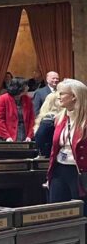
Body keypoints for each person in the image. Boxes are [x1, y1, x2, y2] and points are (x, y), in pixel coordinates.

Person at [46, 79, 87, 209]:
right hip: (59, 168)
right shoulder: (60, 118)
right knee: (56, 210)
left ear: (74, 96)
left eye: (62, 93)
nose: (58, 96)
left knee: (80, 212)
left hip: (80, 172)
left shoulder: (85, 120)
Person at [0, 76, 34, 142]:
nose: (28, 87)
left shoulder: (28, 99)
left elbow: (31, 119)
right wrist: (7, 136)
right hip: (7, 135)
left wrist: (29, 135)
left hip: (24, 133)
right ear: (20, 88)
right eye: (26, 86)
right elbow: (0, 119)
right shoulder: (3, 98)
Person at [34, 91, 63, 160]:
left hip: (50, 154)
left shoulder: (49, 118)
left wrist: (42, 152)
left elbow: (39, 137)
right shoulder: (56, 117)